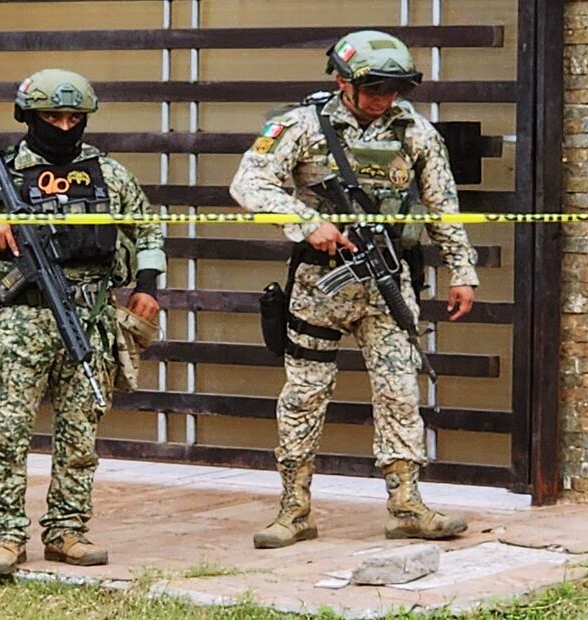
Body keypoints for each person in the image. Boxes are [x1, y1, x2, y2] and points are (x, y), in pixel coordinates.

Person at [230, 31, 479, 548]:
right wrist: (304, 222)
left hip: (388, 285)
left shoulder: (415, 131)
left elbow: (442, 206)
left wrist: (462, 270)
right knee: (303, 396)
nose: (384, 100)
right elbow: (249, 184)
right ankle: (294, 509)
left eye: (394, 89)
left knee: (399, 394)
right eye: (374, 89)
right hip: (319, 285)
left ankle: (406, 504)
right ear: (342, 81)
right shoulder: (300, 126)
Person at [0, 69, 165, 576]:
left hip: (89, 319)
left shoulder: (109, 174)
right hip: (18, 321)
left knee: (79, 437)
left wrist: (147, 286)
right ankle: (6, 537)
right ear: (29, 117)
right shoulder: (0, 172)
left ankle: (67, 532)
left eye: (74, 117)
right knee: (4, 432)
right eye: (53, 116)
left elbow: (148, 227)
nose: (65, 125)